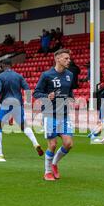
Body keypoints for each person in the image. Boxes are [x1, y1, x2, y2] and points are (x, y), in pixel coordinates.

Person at [33, 48, 75, 181]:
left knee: (68, 143)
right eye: (66, 58)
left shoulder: (70, 75)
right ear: (57, 59)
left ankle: (54, 164)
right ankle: (47, 172)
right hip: (50, 113)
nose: (69, 60)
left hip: (64, 114)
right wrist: (47, 96)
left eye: (69, 58)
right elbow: (36, 93)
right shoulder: (47, 75)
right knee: (52, 144)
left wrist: (71, 99)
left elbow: (69, 92)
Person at [0, 59, 43, 162]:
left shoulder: (0, 77)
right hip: (17, 103)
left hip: (6, 103)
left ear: (2, 66)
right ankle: (35, 143)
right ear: (12, 65)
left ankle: (0, 154)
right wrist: (28, 103)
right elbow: (27, 89)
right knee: (24, 125)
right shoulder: (19, 76)